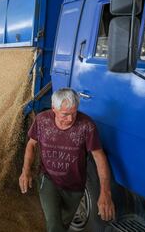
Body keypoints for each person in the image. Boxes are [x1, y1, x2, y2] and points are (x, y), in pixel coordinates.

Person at [19, 88, 115, 232]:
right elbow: (31, 144)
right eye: (65, 114)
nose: (70, 119)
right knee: (53, 225)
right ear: (54, 109)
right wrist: (25, 171)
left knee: (62, 225)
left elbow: (99, 157)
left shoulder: (87, 126)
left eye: (74, 113)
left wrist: (105, 192)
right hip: (48, 179)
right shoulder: (42, 120)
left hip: (75, 187)